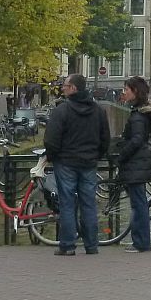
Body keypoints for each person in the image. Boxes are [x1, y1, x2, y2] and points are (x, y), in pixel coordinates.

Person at [44, 73, 110, 256]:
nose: (62, 88)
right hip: (88, 163)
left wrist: (52, 156)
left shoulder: (62, 111)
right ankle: (91, 245)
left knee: (66, 203)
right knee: (88, 203)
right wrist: (96, 155)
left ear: (73, 88)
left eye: (65, 85)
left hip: (66, 162)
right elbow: (105, 138)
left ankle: (67, 245)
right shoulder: (98, 111)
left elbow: (51, 138)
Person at [116, 76, 151, 253]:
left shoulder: (139, 117)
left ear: (135, 92)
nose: (123, 92)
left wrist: (122, 155)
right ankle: (140, 241)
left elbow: (137, 140)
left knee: (138, 203)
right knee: (138, 202)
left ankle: (141, 242)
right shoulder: (140, 113)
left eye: (126, 89)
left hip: (136, 164)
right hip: (139, 163)